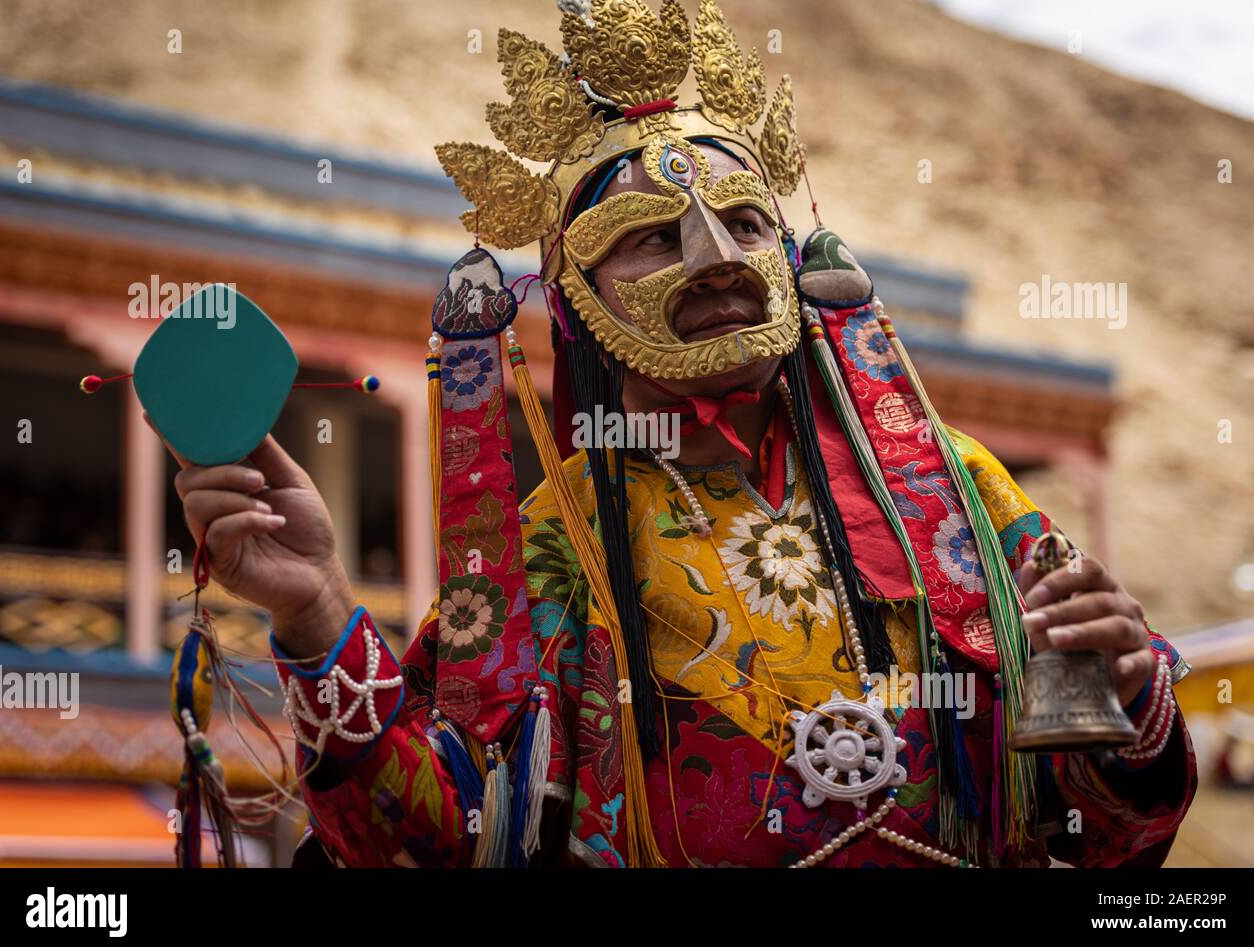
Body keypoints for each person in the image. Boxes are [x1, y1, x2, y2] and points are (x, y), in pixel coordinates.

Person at [157, 0, 1194, 867]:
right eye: (652, 236)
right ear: (573, 300)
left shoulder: (954, 490)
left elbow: (1106, 835)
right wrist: (316, 609)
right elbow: (424, 844)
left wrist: (1129, 698)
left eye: (746, 223)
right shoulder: (550, 549)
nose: (713, 256)